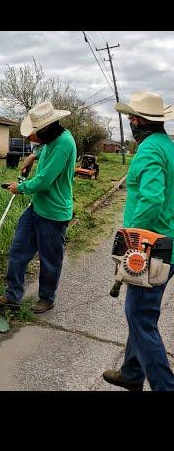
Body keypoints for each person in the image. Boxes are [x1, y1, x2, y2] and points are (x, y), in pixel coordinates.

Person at [102, 91, 174, 391]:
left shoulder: (148, 151)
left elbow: (152, 200)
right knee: (142, 314)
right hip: (166, 241)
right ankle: (132, 374)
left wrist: (132, 239)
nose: (129, 121)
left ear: (143, 121)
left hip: (151, 246)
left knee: (140, 317)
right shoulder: (168, 146)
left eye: (133, 117)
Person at [0, 102, 76, 314]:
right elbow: (43, 148)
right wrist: (32, 156)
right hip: (37, 207)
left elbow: (44, 181)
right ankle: (12, 296)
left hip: (54, 213)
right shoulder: (52, 138)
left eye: (35, 134)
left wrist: (19, 187)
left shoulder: (64, 143)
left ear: (46, 128)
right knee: (18, 250)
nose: (33, 138)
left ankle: (46, 298)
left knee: (49, 260)